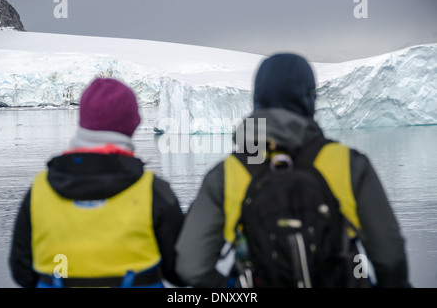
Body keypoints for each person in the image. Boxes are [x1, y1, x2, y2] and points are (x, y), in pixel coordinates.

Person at [175, 53, 410, 288]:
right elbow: (390, 258)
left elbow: (190, 267)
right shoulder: (349, 164)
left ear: (257, 101)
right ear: (310, 99)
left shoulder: (228, 174)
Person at [9, 78, 185, 288]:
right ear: (132, 124)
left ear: (82, 120)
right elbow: (179, 271)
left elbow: (21, 270)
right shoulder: (153, 190)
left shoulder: (40, 189)